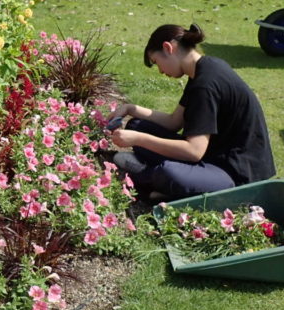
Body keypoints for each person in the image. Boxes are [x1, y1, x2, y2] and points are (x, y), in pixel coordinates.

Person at [109, 23, 275, 199]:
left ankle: (148, 176)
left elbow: (194, 151)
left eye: (157, 62)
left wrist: (138, 139)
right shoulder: (203, 69)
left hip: (235, 174)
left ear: (168, 48)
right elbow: (174, 122)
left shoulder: (205, 85)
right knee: (136, 125)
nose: (161, 71)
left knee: (168, 172)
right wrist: (130, 109)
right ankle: (159, 184)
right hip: (212, 156)